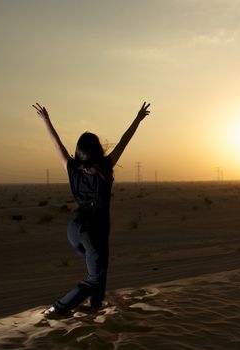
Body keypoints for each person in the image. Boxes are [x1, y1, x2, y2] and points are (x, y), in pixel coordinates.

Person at [32, 101, 151, 317]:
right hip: (93, 231)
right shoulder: (105, 168)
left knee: (100, 266)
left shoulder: (72, 169)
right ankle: (58, 309)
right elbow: (124, 142)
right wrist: (138, 119)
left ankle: (95, 305)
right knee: (94, 277)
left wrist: (47, 120)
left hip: (74, 229)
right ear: (99, 150)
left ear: (78, 153)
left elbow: (57, 145)